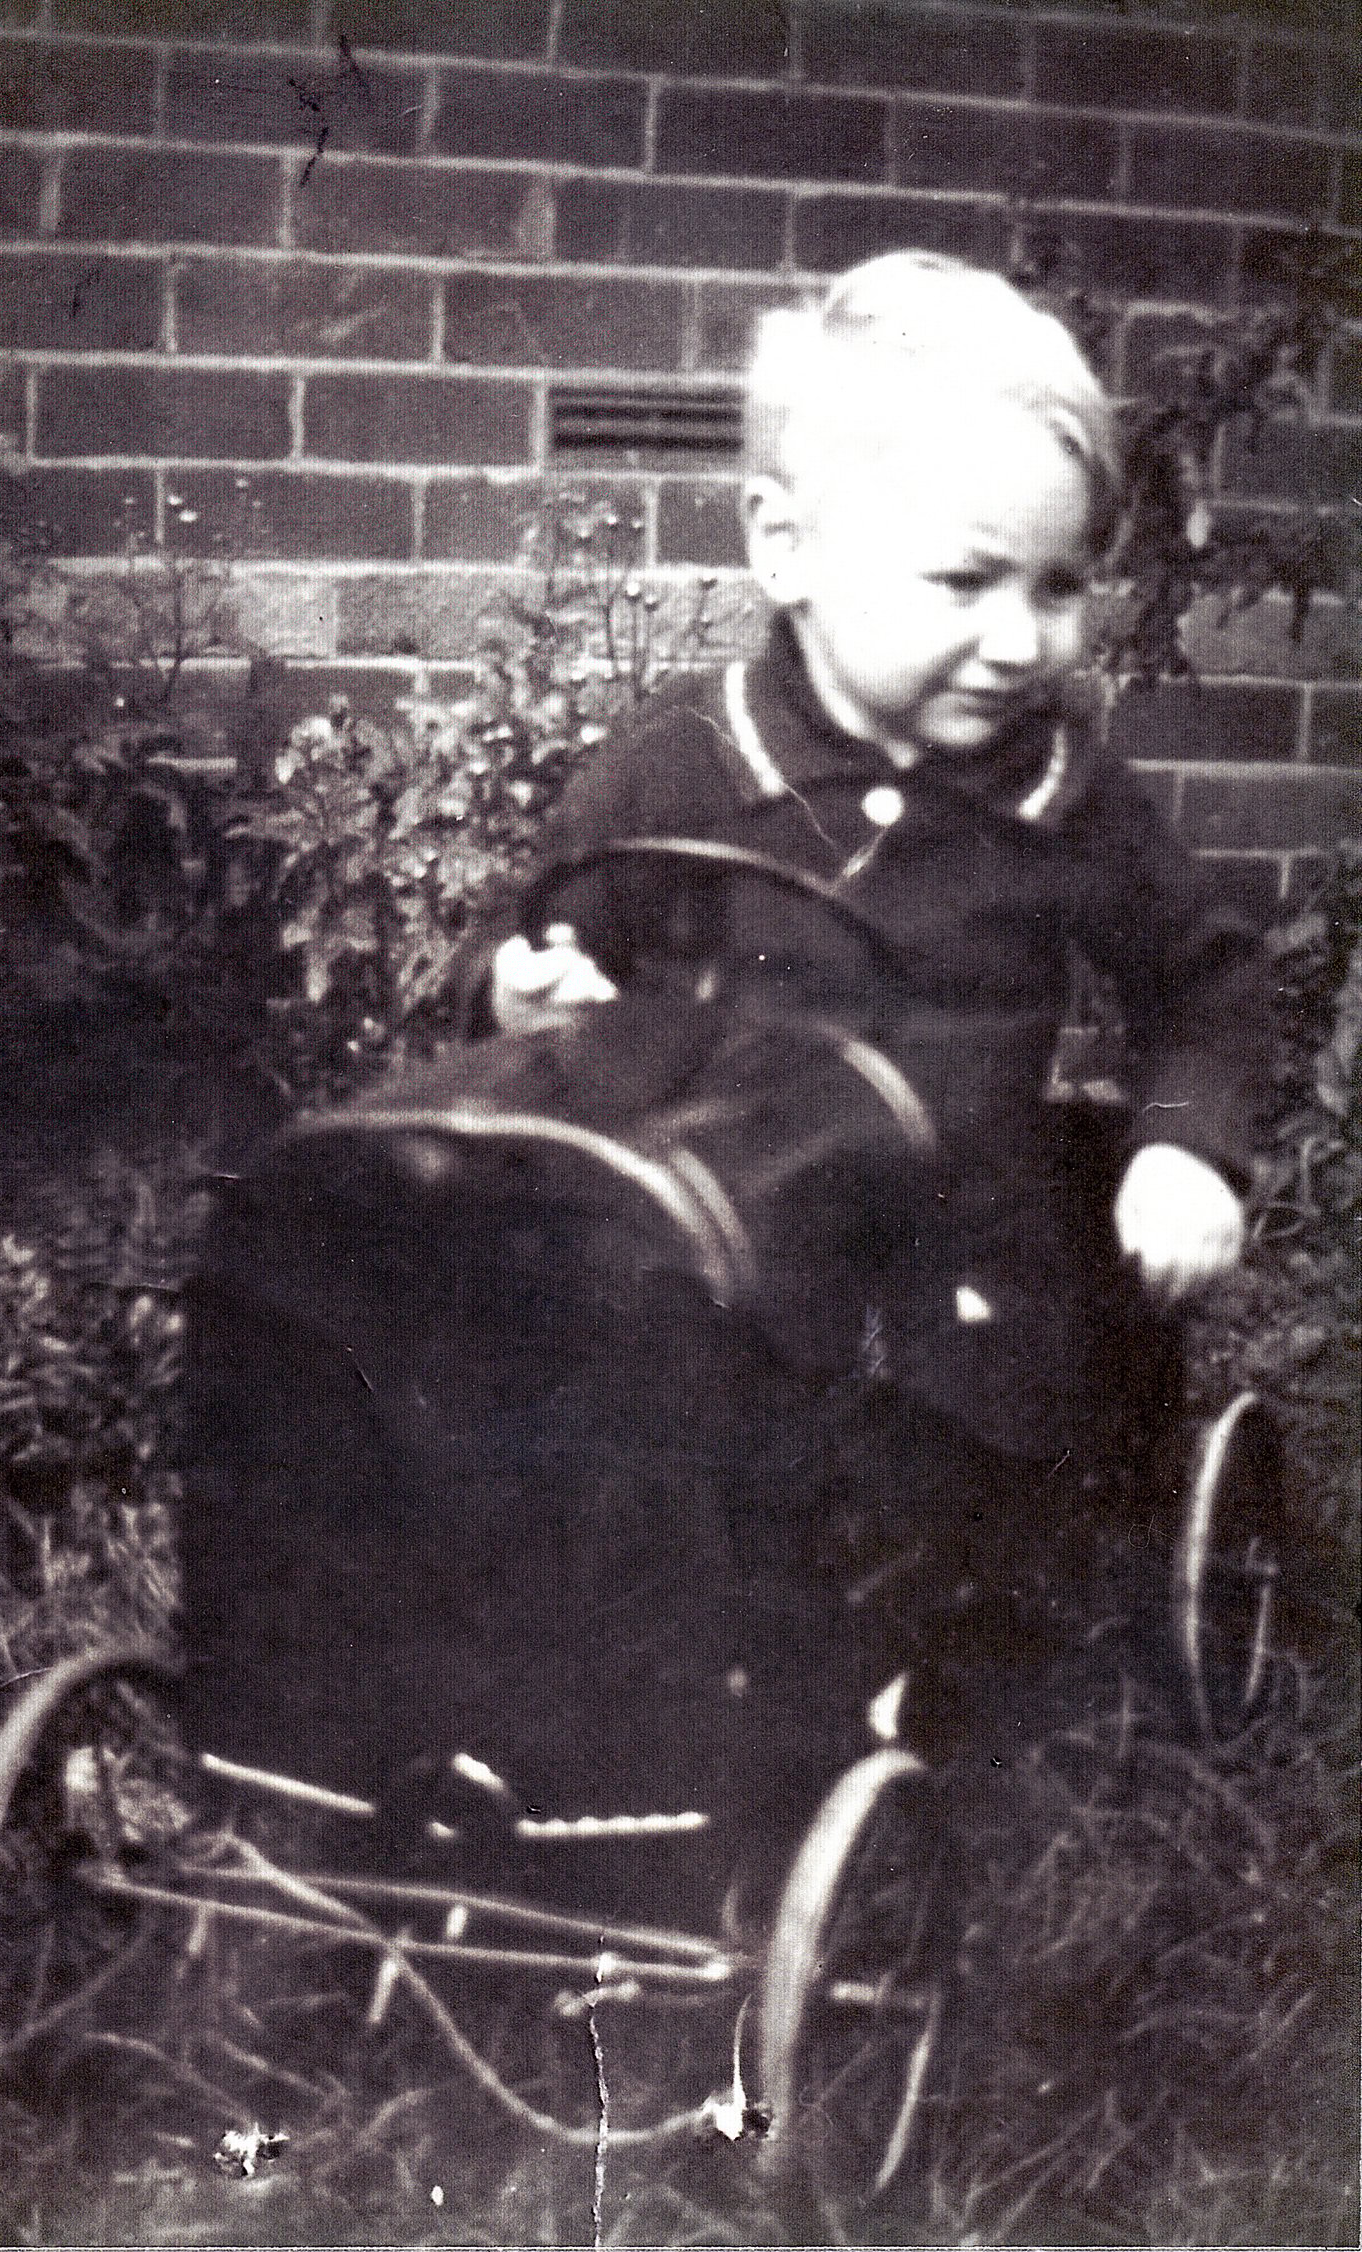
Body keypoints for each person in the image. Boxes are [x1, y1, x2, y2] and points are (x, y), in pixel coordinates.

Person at [453, 250, 1275, 1747]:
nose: (1024, 639)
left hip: (964, 1234)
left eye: (1060, 585)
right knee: (575, 1400)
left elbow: (1206, 980)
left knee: (962, 1433)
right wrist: (525, 987)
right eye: (965, 582)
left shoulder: (1065, 795)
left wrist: (1181, 1144)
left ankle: (893, 1684)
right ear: (788, 547)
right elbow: (537, 944)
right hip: (722, 1211)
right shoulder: (683, 768)